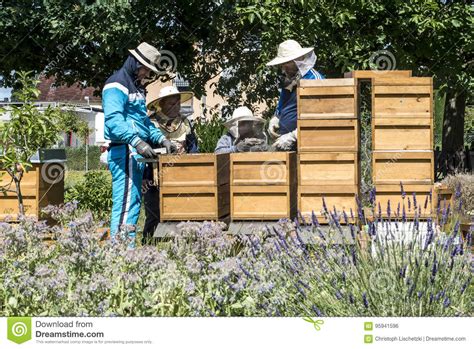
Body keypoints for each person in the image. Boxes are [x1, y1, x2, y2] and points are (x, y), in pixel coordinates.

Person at [102, 42, 176, 245]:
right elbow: (114, 121)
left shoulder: (135, 87)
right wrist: (136, 141)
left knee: (133, 202)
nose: (148, 75)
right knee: (126, 202)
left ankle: (126, 247)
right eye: (146, 69)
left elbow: (143, 122)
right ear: (136, 63)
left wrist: (161, 139)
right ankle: (121, 250)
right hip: (125, 150)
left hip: (134, 152)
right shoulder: (116, 84)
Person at [142, 85, 199, 240]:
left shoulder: (185, 122)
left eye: (177, 103)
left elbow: (193, 148)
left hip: (182, 174)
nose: (175, 107)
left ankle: (180, 244)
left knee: (181, 210)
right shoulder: (150, 123)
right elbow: (146, 151)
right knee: (154, 212)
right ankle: (148, 246)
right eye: (171, 104)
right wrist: (146, 177)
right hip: (155, 174)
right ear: (161, 104)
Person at [266, 40, 325, 150]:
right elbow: (282, 106)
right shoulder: (289, 81)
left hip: (309, 144)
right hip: (286, 145)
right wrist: (275, 118)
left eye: (286, 63)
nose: (284, 68)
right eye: (282, 64)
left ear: (297, 60)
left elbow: (321, 116)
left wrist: (294, 135)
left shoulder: (314, 80)